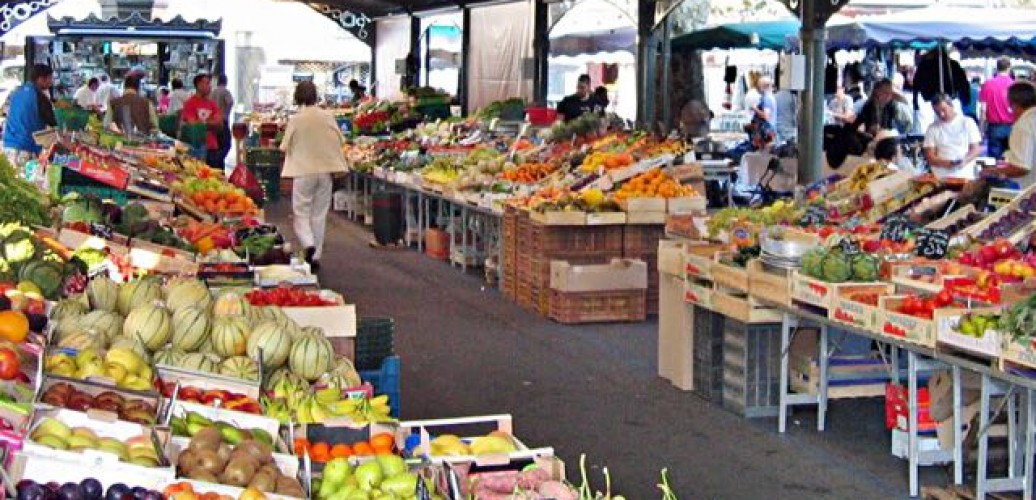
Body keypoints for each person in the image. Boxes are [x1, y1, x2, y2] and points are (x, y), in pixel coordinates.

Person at [279, 81, 349, 273]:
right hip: (325, 172)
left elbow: (283, 147)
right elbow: (341, 140)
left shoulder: (296, 119)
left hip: (303, 172)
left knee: (301, 212)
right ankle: (315, 256)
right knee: (319, 214)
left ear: (297, 97)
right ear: (315, 96)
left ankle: (308, 244)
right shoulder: (328, 117)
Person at [983, 81, 1036, 188]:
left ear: (1014, 104)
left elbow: (1022, 167)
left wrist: (993, 171)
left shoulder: (1024, 125)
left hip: (1028, 188)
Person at [3, 64, 56, 166]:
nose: (51, 82)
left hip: (9, 144)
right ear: (41, 79)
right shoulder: (40, 97)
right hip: (26, 148)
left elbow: (6, 112)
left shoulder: (16, 91)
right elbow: (53, 121)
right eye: (49, 78)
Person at [924, 93, 982, 180]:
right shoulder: (932, 128)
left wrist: (965, 160)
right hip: (941, 175)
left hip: (965, 174)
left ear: (951, 106)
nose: (941, 114)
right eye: (937, 112)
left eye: (944, 110)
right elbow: (930, 156)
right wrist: (948, 163)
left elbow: (976, 149)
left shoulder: (967, 122)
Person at [181, 74, 223, 168]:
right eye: (207, 83)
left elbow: (219, 124)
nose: (210, 87)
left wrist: (202, 123)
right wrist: (210, 122)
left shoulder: (212, 104)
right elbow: (192, 124)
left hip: (212, 147)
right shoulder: (190, 103)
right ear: (199, 85)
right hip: (196, 148)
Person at [980, 57, 1016, 159]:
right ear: (1009, 67)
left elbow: (983, 109)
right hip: (1012, 127)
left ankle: (996, 174)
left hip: (994, 127)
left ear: (997, 68)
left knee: (994, 161)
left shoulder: (988, 84)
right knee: (1011, 160)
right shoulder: (1014, 85)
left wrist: (981, 129)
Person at [210, 74, 234, 165]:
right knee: (226, 144)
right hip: (222, 121)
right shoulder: (225, 92)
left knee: (217, 145)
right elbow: (230, 102)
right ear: (226, 82)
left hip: (213, 122)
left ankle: (217, 163)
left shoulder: (212, 92)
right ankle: (218, 160)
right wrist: (226, 113)